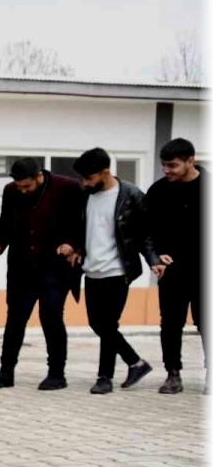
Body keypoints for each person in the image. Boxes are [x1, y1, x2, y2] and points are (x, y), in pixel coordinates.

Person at [0, 158, 84, 390]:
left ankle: (56, 374)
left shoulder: (67, 187)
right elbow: (5, 225)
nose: (23, 190)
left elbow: (81, 222)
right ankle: (6, 372)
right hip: (22, 267)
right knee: (15, 319)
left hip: (54, 267)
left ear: (39, 176)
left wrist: (72, 244)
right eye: (19, 186)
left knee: (51, 317)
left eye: (27, 186)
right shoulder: (11, 191)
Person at [71, 147, 159, 395]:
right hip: (91, 270)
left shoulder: (130, 195)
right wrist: (75, 247)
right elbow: (82, 227)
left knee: (107, 324)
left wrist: (153, 259)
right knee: (98, 324)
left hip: (118, 271)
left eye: (89, 178)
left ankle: (104, 377)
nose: (85, 183)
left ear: (105, 171)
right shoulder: (86, 195)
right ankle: (136, 363)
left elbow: (145, 233)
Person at [147, 138, 205, 394]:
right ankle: (173, 374)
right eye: (164, 165)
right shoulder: (158, 191)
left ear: (190, 161)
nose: (166, 170)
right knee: (170, 323)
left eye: (172, 165)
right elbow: (146, 230)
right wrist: (156, 255)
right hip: (172, 271)